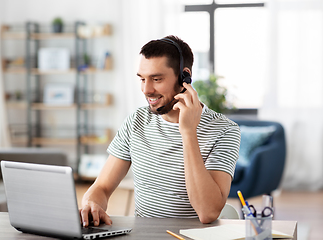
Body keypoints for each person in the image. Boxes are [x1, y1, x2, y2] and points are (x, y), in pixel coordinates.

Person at [80, 35, 240, 226]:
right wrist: (91, 202)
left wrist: (188, 132)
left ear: (184, 76)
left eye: (156, 79)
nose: (146, 90)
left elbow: (207, 212)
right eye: (142, 79)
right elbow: (102, 187)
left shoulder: (224, 130)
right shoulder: (136, 121)